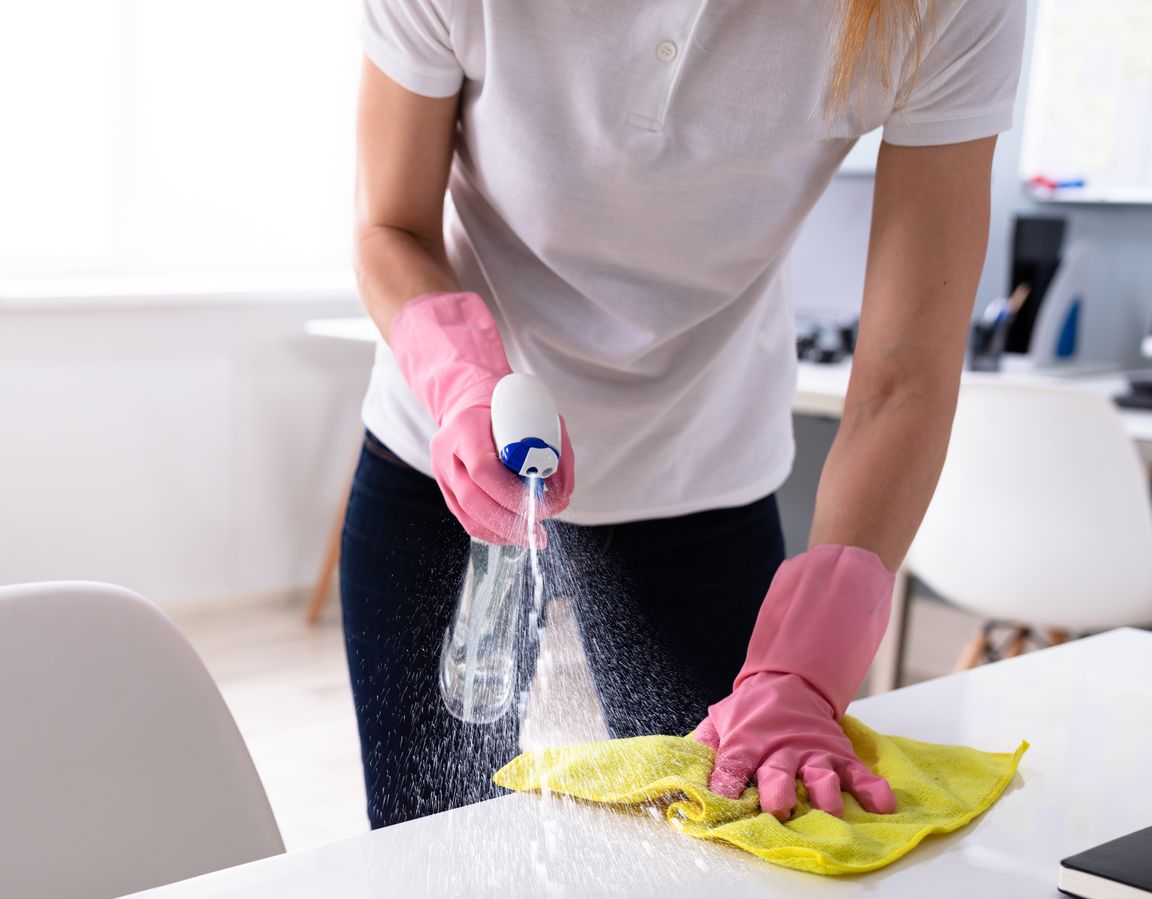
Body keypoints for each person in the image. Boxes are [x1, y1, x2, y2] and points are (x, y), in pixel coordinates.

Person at [343, 0, 1024, 829]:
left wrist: (805, 670)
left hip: (700, 470)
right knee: (428, 857)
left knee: (733, 860)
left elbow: (904, 376)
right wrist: (460, 377)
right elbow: (391, 225)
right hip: (448, 459)